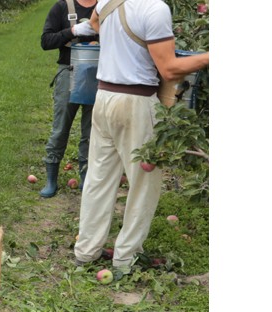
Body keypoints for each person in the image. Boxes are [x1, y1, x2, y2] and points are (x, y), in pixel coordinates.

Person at [72, 0, 208, 280]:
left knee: (99, 177)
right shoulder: (154, 8)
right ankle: (126, 258)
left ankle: (86, 250)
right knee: (143, 184)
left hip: (104, 97)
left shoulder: (109, 1)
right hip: (135, 102)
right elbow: (169, 69)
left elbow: (95, 24)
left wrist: (120, 50)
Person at [39, 0, 98, 198]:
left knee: (92, 130)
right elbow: (46, 41)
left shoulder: (107, 7)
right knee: (60, 127)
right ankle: (51, 179)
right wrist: (72, 31)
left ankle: (86, 177)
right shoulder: (62, 7)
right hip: (69, 71)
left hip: (100, 74)